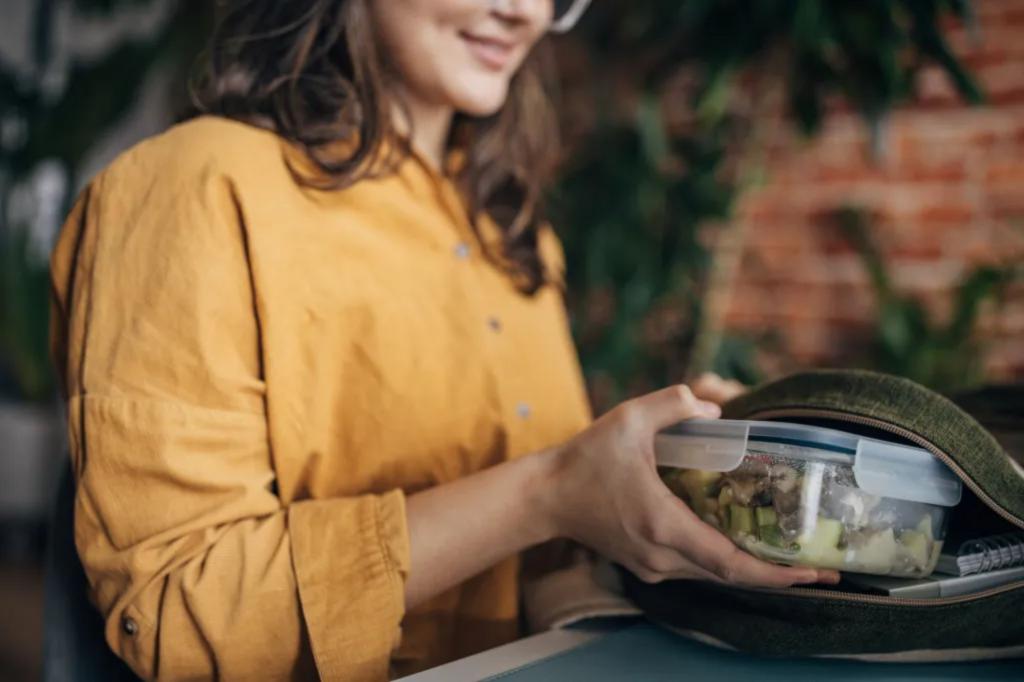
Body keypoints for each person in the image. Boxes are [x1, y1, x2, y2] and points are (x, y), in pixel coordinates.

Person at [49, 1, 838, 679]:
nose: (525, 12)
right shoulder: (191, 188)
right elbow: (176, 615)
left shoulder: (512, 232)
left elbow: (547, 564)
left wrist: (671, 469)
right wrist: (547, 491)